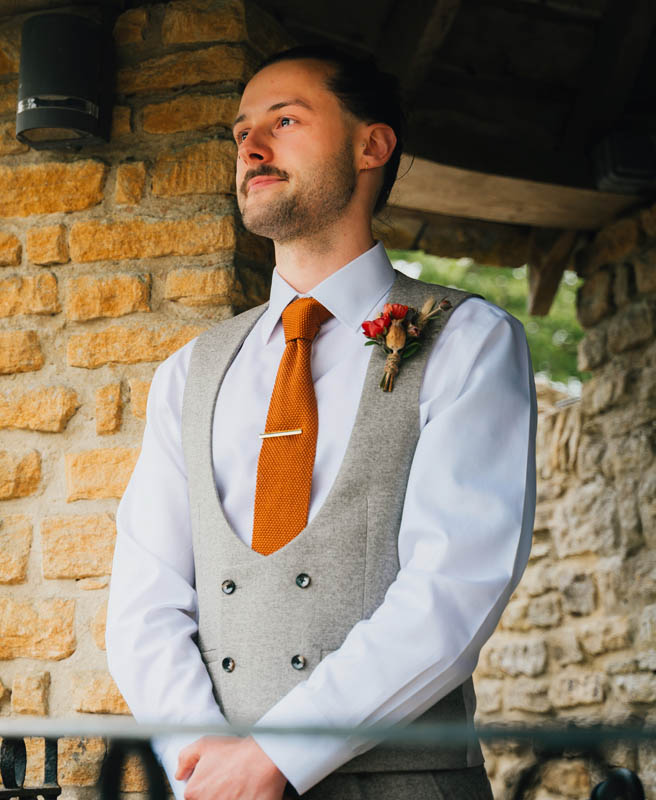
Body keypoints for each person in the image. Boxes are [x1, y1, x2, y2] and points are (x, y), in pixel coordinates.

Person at [106, 44, 535, 800]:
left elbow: (454, 588)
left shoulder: (468, 339)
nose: (251, 147)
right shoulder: (189, 372)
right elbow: (145, 597)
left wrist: (275, 757)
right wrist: (202, 761)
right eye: (241, 132)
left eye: (285, 120)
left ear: (372, 145)